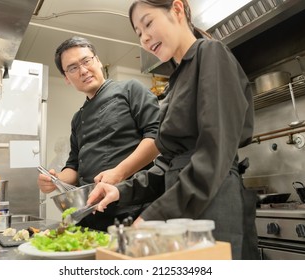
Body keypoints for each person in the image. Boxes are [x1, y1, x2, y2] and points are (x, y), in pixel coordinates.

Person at [87, 0, 259, 259]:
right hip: (182, 205)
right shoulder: (176, 81)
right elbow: (168, 164)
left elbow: (215, 153)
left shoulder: (210, 53)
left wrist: (154, 215)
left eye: (148, 23)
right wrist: (121, 190)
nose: (144, 38)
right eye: (138, 33)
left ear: (177, 9)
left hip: (213, 202)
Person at [38, 36, 161, 232]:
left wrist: (119, 172)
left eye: (86, 61)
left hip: (131, 208)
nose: (83, 70)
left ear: (98, 61)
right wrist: (56, 180)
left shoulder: (130, 89)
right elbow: (74, 166)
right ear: (67, 79)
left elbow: (156, 137)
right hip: (89, 213)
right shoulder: (78, 118)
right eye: (73, 68)